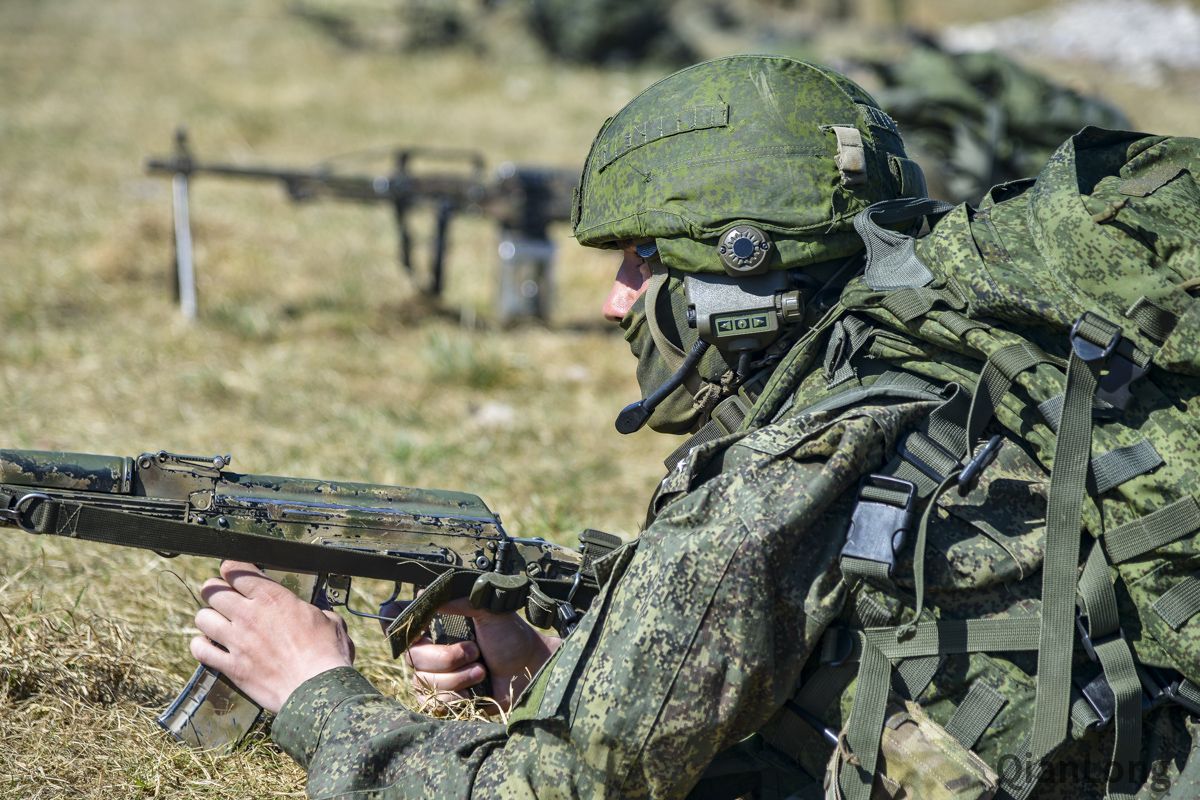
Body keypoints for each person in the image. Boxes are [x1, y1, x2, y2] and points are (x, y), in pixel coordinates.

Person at [190, 56, 1200, 799]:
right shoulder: (961, 366)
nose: (613, 301)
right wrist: (566, 674)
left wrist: (315, 688)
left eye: (641, 261)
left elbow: (543, 792)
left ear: (743, 271)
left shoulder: (788, 470)